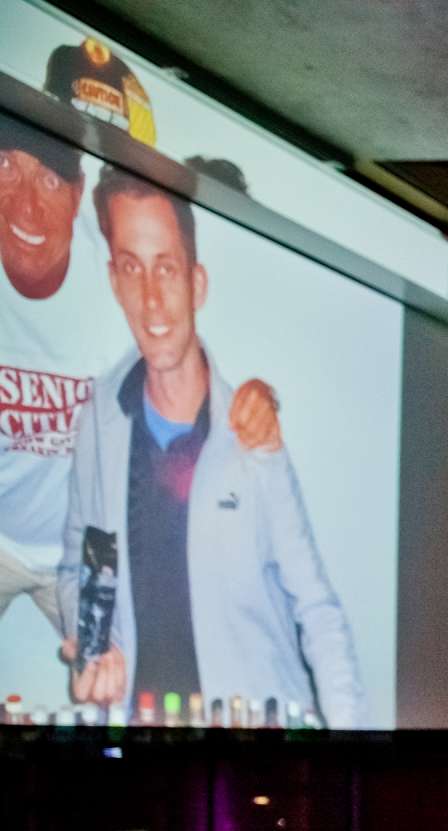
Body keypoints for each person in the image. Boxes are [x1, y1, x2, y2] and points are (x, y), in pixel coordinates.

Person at [58, 166, 356, 725]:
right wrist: (99, 645)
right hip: (139, 748)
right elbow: (84, 560)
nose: (150, 299)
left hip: (255, 754)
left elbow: (315, 610)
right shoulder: (100, 418)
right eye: (132, 268)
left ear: (197, 283)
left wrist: (350, 749)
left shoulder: (250, 429)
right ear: (114, 281)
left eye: (165, 269)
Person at [0, 107, 282, 649]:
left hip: (86, 545)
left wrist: (263, 399)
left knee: (138, 681)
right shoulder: (88, 247)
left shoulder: (179, 313)